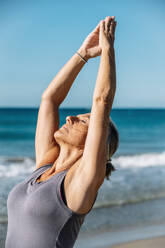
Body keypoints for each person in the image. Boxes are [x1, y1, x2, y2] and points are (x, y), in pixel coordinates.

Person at [5, 16, 119, 248]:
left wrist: (107, 49)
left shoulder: (80, 183)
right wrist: (83, 54)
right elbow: (50, 99)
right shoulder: (46, 165)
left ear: (95, 143)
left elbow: (101, 101)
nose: (71, 117)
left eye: (84, 121)